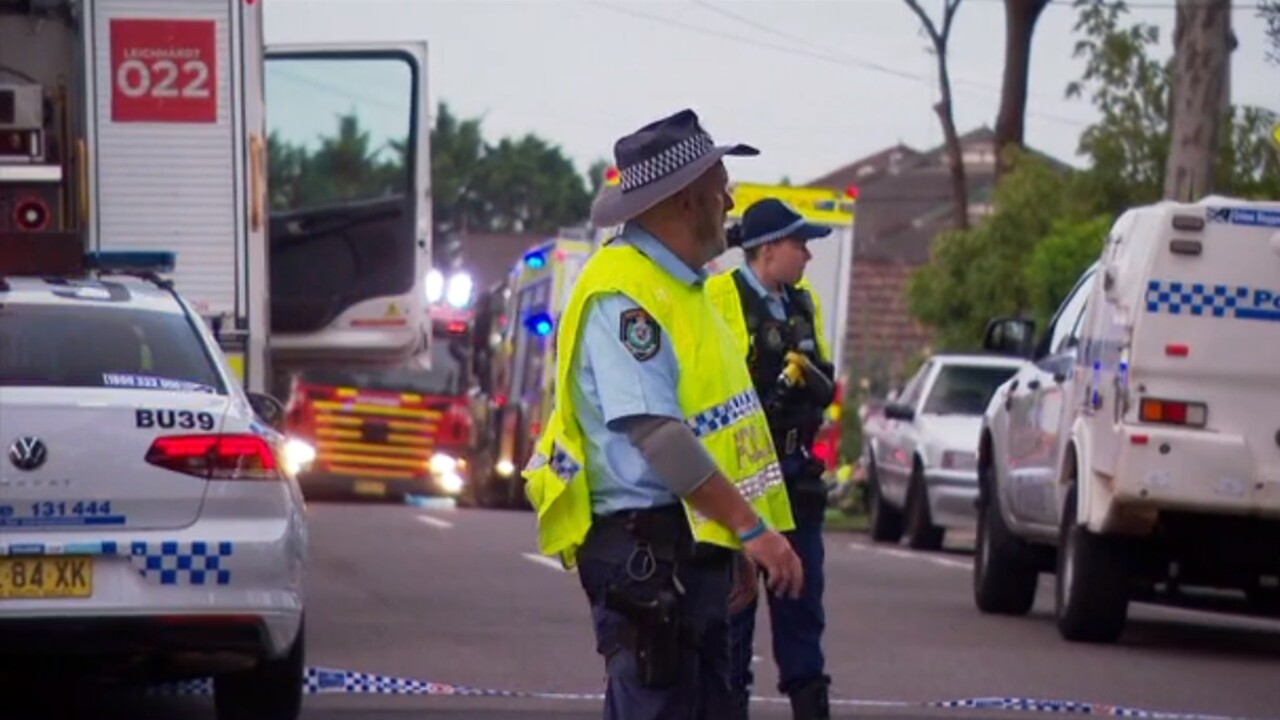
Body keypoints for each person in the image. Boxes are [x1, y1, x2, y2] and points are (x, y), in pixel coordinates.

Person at [521, 109, 805, 720]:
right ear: (683, 201)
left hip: (687, 544)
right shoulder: (626, 293)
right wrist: (753, 531)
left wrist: (729, 540)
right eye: (719, 189)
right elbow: (659, 435)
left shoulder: (686, 286)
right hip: (646, 549)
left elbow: (713, 426)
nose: (730, 202)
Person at [707, 198, 840, 720]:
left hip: (797, 478)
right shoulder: (723, 296)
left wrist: (813, 385)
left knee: (803, 611)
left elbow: (820, 375)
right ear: (766, 250)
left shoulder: (803, 304)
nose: (806, 255)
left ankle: (811, 706)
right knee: (734, 618)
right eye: (798, 244)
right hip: (742, 482)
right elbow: (720, 387)